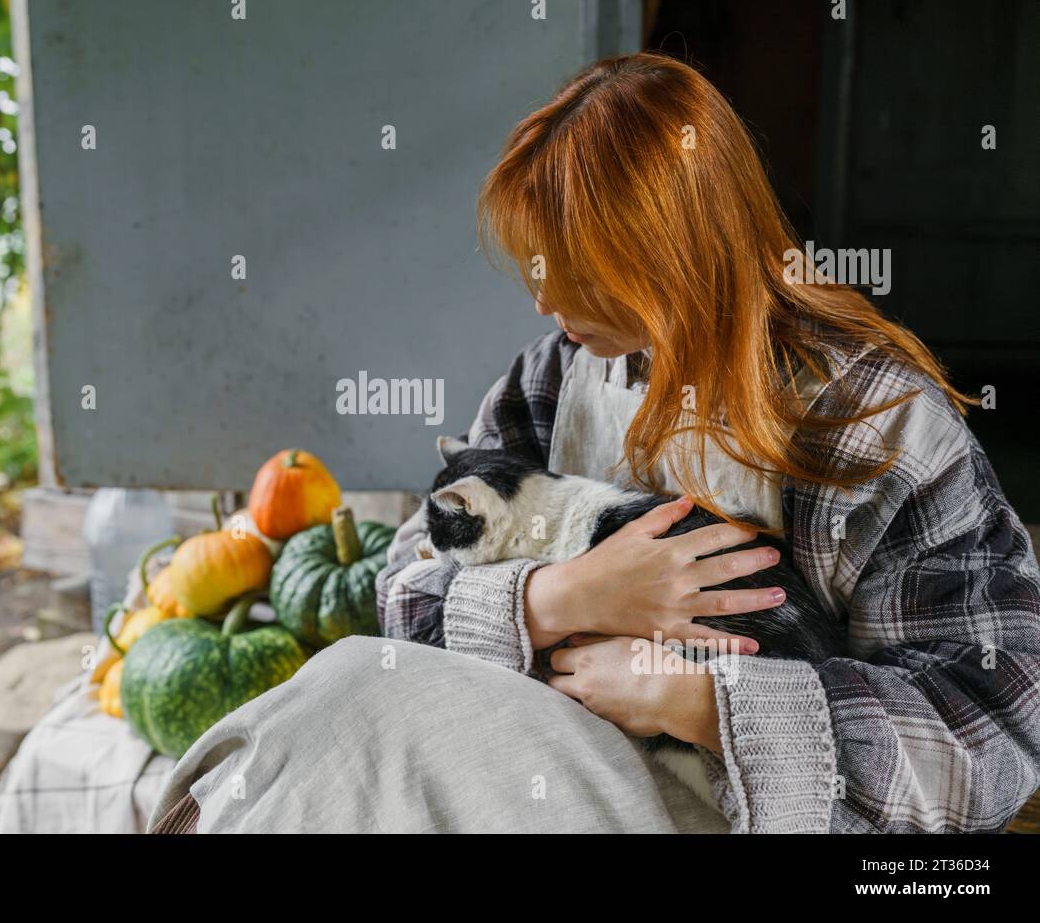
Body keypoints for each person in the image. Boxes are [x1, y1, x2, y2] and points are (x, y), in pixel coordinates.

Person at [149, 53, 1040, 834]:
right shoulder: (551, 381)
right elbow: (398, 599)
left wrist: (692, 697)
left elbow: (992, 734)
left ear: (666, 256)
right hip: (541, 769)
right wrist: (566, 596)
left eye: (573, 271)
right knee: (349, 686)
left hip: (730, 806)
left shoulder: (874, 427)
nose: (542, 302)